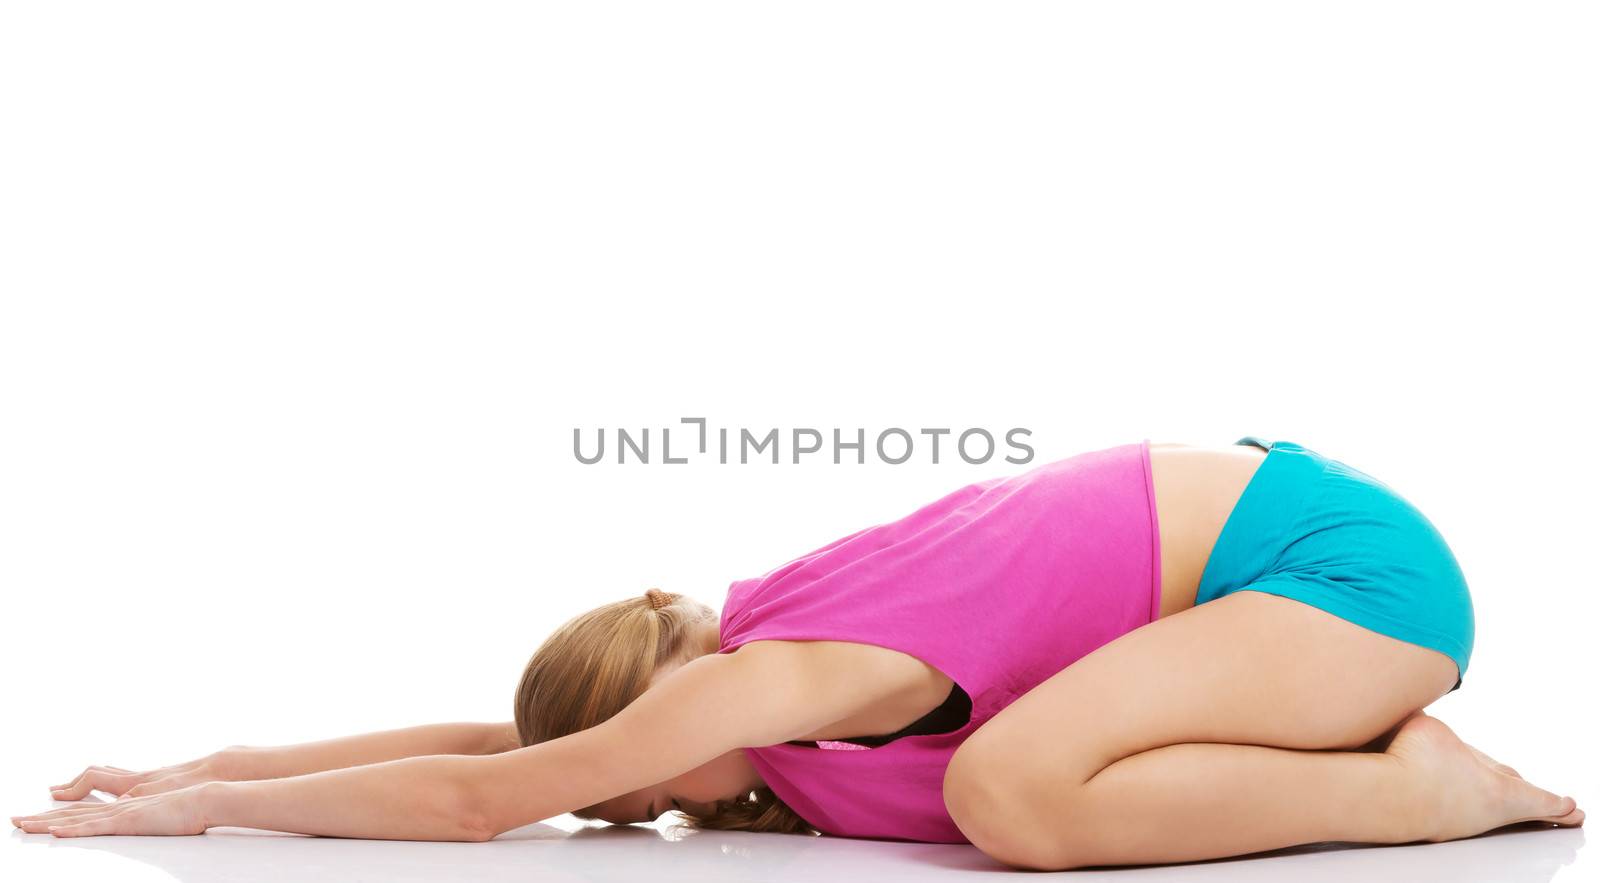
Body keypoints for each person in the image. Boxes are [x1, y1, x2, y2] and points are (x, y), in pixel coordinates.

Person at [11, 438, 1584, 871]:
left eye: (624, 789)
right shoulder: (754, 729)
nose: (621, 813)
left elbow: (485, 802)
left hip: (1343, 576)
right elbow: (494, 751)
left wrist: (180, 827)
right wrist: (206, 765)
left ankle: (1424, 798)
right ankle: (1367, 760)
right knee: (1015, 786)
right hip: (1256, 611)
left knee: (1018, 794)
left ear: (657, 700)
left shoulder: (757, 677)